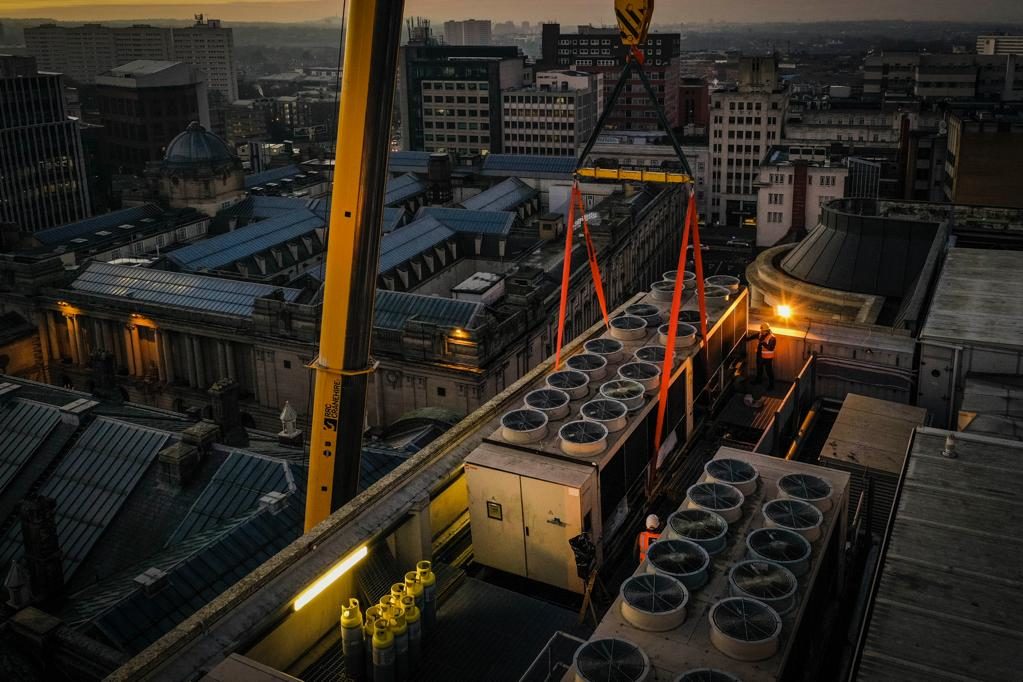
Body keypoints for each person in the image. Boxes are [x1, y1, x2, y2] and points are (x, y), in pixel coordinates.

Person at [748, 322, 777, 390]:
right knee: (759, 369)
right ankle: (758, 381)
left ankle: (771, 385)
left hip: (767, 358)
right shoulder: (760, 334)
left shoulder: (772, 338)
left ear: (767, 330)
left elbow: (771, 348)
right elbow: (753, 337)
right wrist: (746, 339)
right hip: (759, 356)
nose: (761, 331)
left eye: (762, 330)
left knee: (769, 371)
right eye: (761, 330)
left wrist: (763, 343)